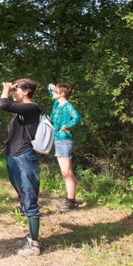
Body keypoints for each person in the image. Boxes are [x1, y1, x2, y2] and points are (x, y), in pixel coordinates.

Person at [0, 78, 42, 256]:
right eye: (13, 89)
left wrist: (6, 89)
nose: (13, 92)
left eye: (16, 89)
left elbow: (3, 104)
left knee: (30, 197)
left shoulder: (32, 107)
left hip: (24, 158)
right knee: (23, 195)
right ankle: (31, 235)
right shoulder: (22, 112)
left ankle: (34, 244)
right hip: (15, 157)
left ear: (26, 92)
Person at [48, 83, 82, 211]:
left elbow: (77, 118)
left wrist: (66, 126)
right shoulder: (57, 104)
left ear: (62, 94)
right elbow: (49, 87)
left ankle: (70, 201)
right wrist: (52, 87)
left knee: (66, 172)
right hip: (58, 140)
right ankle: (70, 200)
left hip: (65, 140)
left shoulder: (68, 106)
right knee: (65, 172)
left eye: (56, 91)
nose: (53, 93)